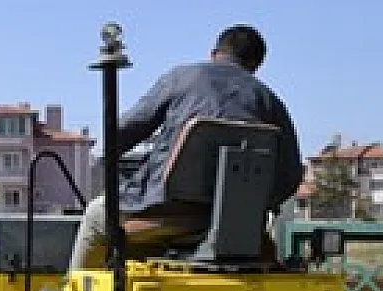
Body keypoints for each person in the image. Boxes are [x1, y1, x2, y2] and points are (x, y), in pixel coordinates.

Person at [69, 24, 304, 271]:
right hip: (237, 224)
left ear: (214, 54)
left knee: (96, 216)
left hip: (166, 211)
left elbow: (119, 133)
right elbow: (290, 177)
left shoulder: (182, 78)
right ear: (255, 65)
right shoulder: (271, 103)